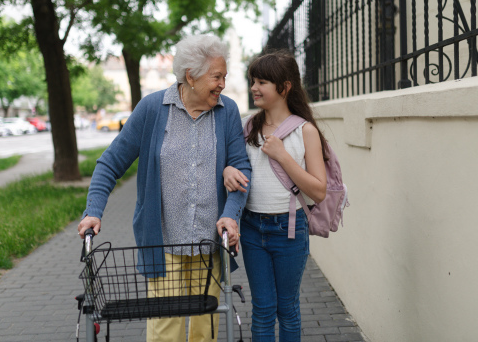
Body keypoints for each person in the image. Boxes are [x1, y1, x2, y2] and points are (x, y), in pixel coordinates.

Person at [78, 34, 252, 342]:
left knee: (206, 331)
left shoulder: (227, 112)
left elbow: (242, 170)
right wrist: (93, 211)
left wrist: (231, 215)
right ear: (190, 75)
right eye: (217, 76)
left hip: (208, 245)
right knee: (164, 332)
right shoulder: (153, 109)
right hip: (163, 245)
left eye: (224, 76)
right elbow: (110, 163)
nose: (222, 84)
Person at [223, 51, 328, 342]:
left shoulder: (305, 131)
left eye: (263, 82)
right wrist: (227, 170)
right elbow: (228, 166)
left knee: (287, 308)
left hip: (290, 230)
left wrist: (283, 156)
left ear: (284, 87)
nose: (254, 87)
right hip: (252, 228)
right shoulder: (245, 127)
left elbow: (319, 190)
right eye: (253, 81)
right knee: (263, 308)